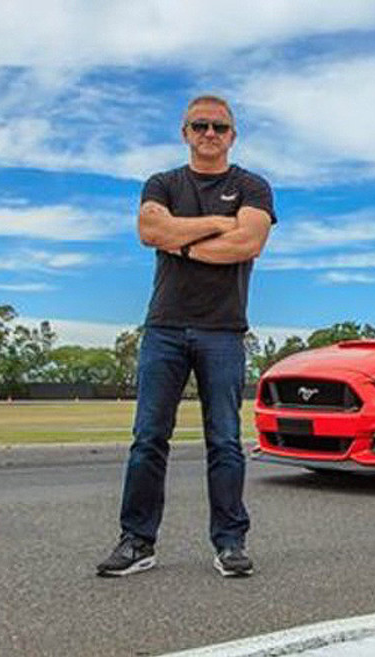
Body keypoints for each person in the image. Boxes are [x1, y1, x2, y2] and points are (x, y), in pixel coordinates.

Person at [97, 95, 275, 578]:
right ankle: (137, 541)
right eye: (200, 125)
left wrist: (183, 243)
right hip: (165, 329)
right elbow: (150, 228)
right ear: (185, 132)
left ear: (232, 135)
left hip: (223, 331)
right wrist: (216, 225)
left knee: (225, 441)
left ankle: (230, 543)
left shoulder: (252, 186)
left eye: (220, 126)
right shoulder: (162, 183)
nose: (210, 134)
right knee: (149, 439)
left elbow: (248, 242)